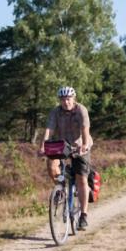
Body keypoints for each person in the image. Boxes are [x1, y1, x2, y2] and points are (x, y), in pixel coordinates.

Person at [38, 86, 93, 230]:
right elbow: (49, 129)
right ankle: (60, 189)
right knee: (51, 165)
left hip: (79, 145)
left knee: (81, 179)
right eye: (63, 100)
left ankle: (83, 215)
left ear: (73, 99)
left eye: (68, 99)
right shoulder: (56, 112)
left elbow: (85, 128)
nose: (65, 102)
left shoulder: (81, 110)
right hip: (61, 145)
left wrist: (85, 144)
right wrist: (44, 146)